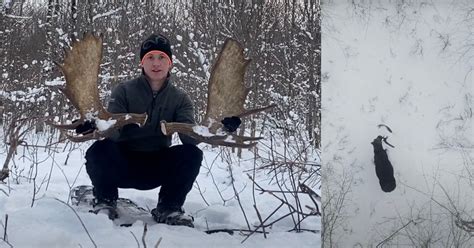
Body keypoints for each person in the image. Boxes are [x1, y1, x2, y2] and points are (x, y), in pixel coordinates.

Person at [78, 34, 203, 228]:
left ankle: (169, 207)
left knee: (192, 154)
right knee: (99, 149)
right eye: (150, 58)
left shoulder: (180, 99)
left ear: (170, 64)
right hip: (123, 164)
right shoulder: (124, 91)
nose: (156, 63)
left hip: (158, 165)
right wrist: (95, 126)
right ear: (141, 63)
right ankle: (105, 201)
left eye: (162, 58)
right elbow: (113, 132)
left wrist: (221, 126)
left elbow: (189, 139)